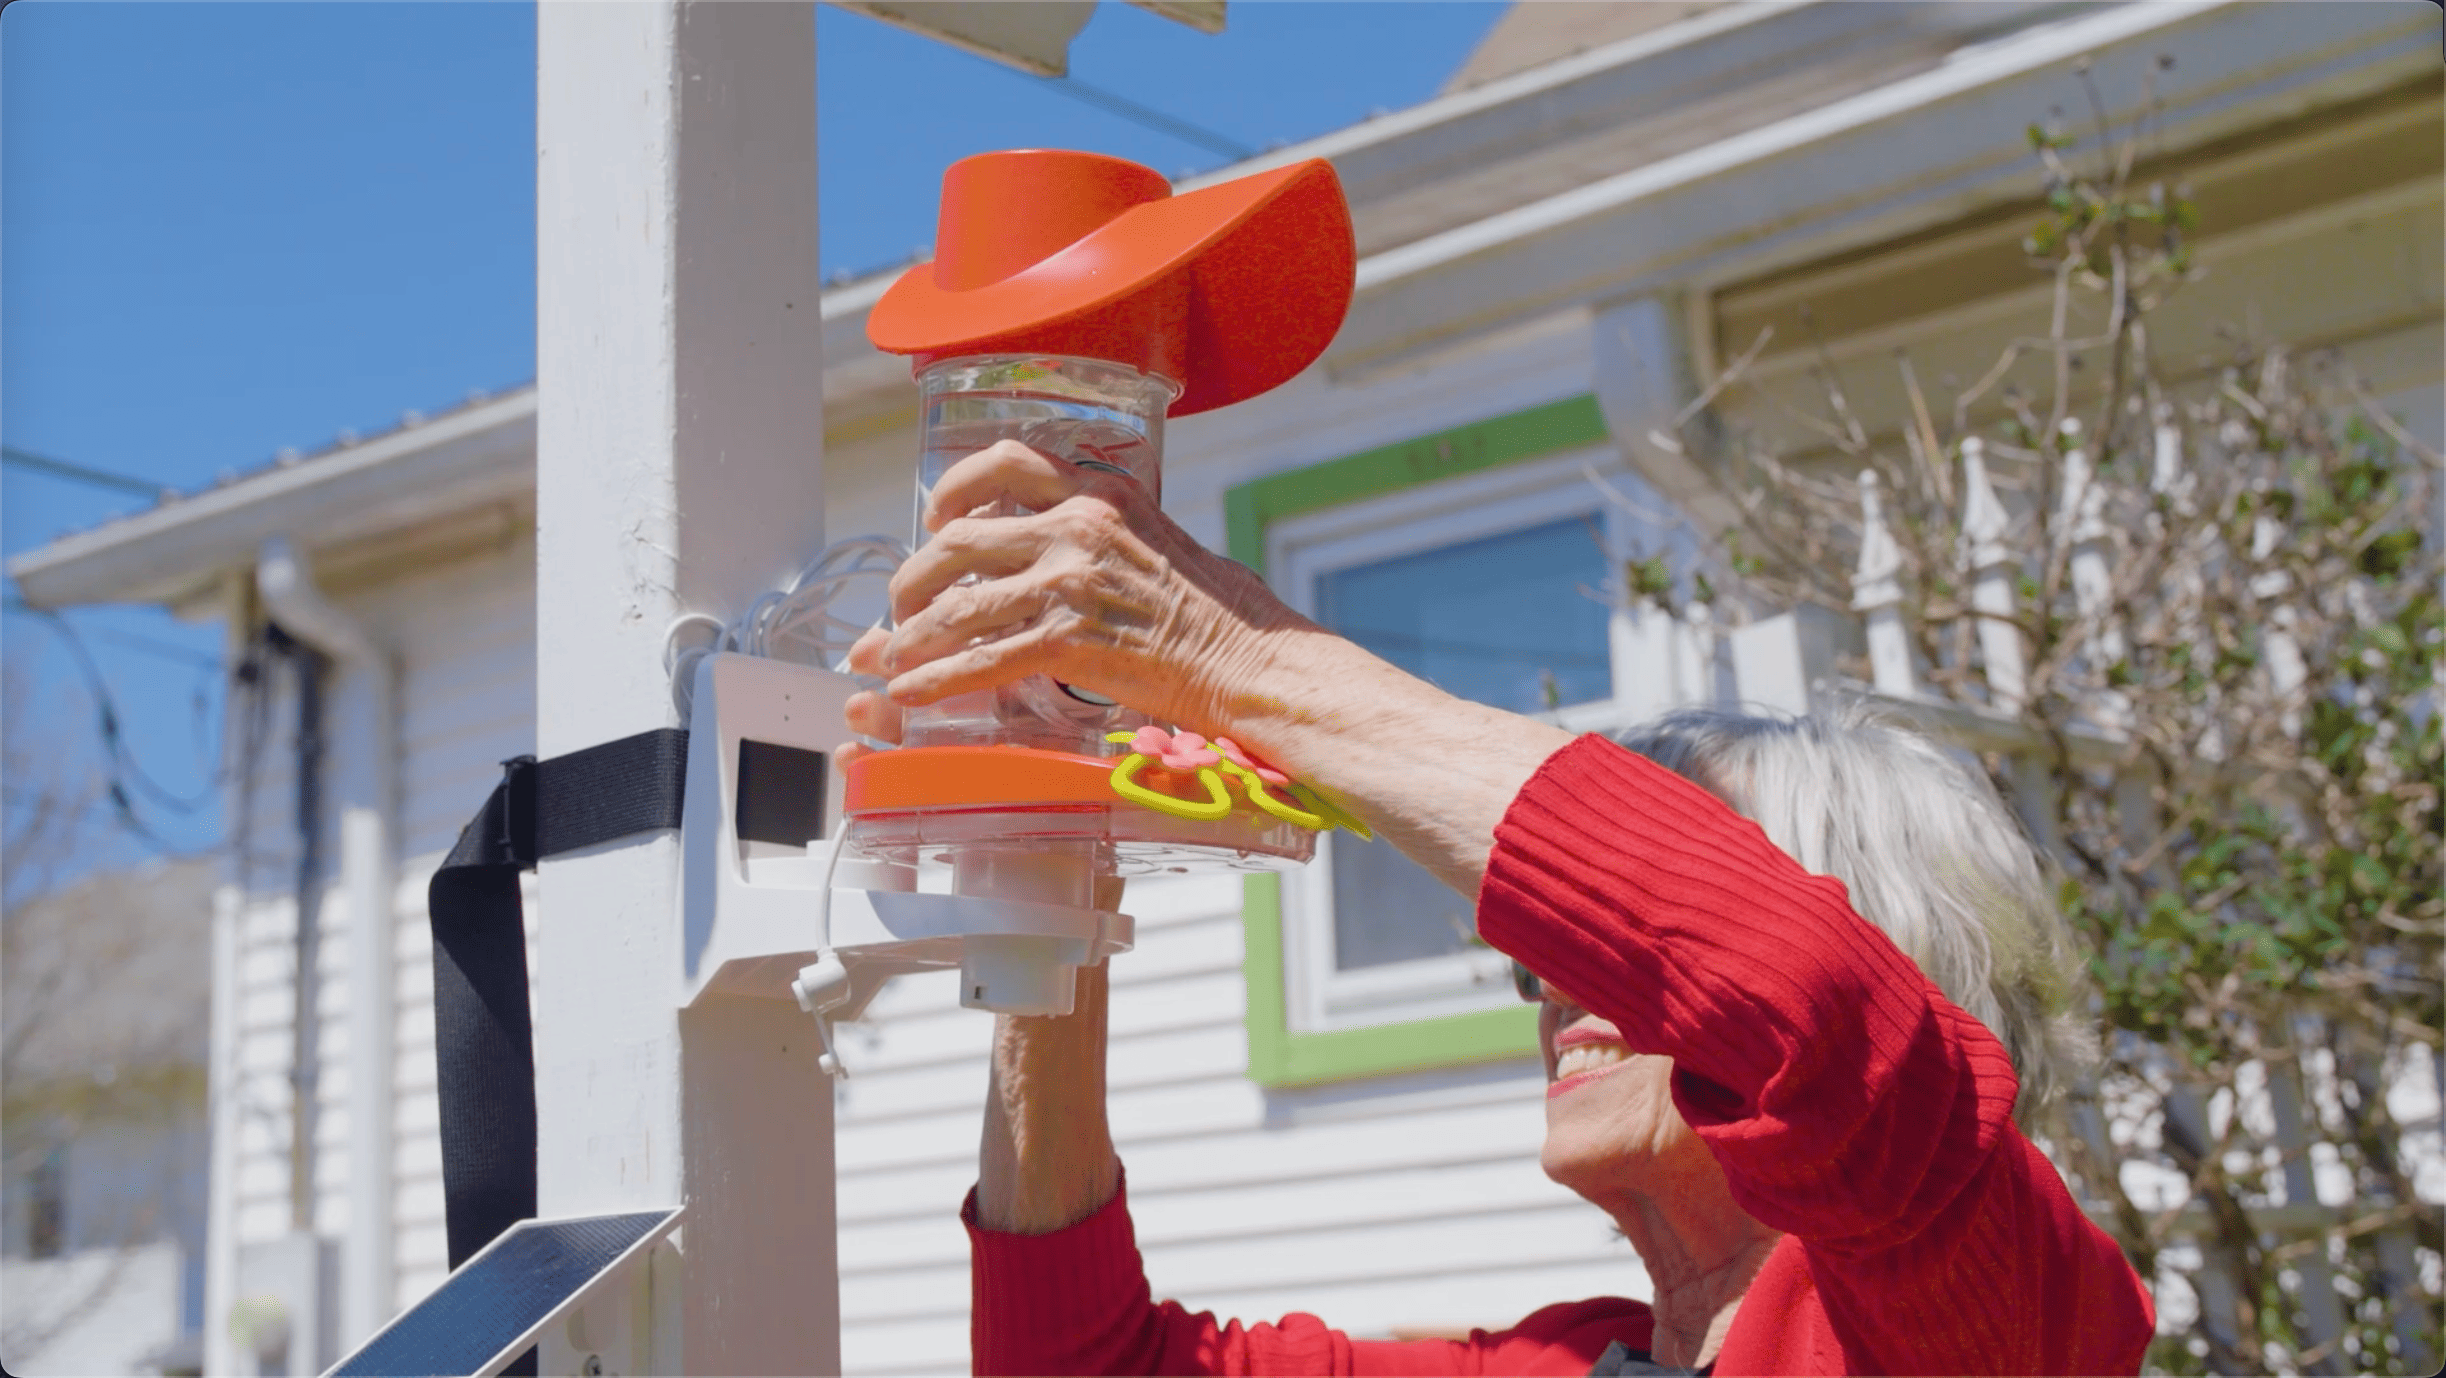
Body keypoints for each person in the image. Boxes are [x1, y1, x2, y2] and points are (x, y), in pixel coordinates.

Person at [841, 441, 2156, 1376]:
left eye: (1624, 930)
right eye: (1549, 951)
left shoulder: (1994, 1311)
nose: (1544, 968)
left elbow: (1818, 1005)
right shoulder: (1571, 1361)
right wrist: (1059, 859)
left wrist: (1231, 657)